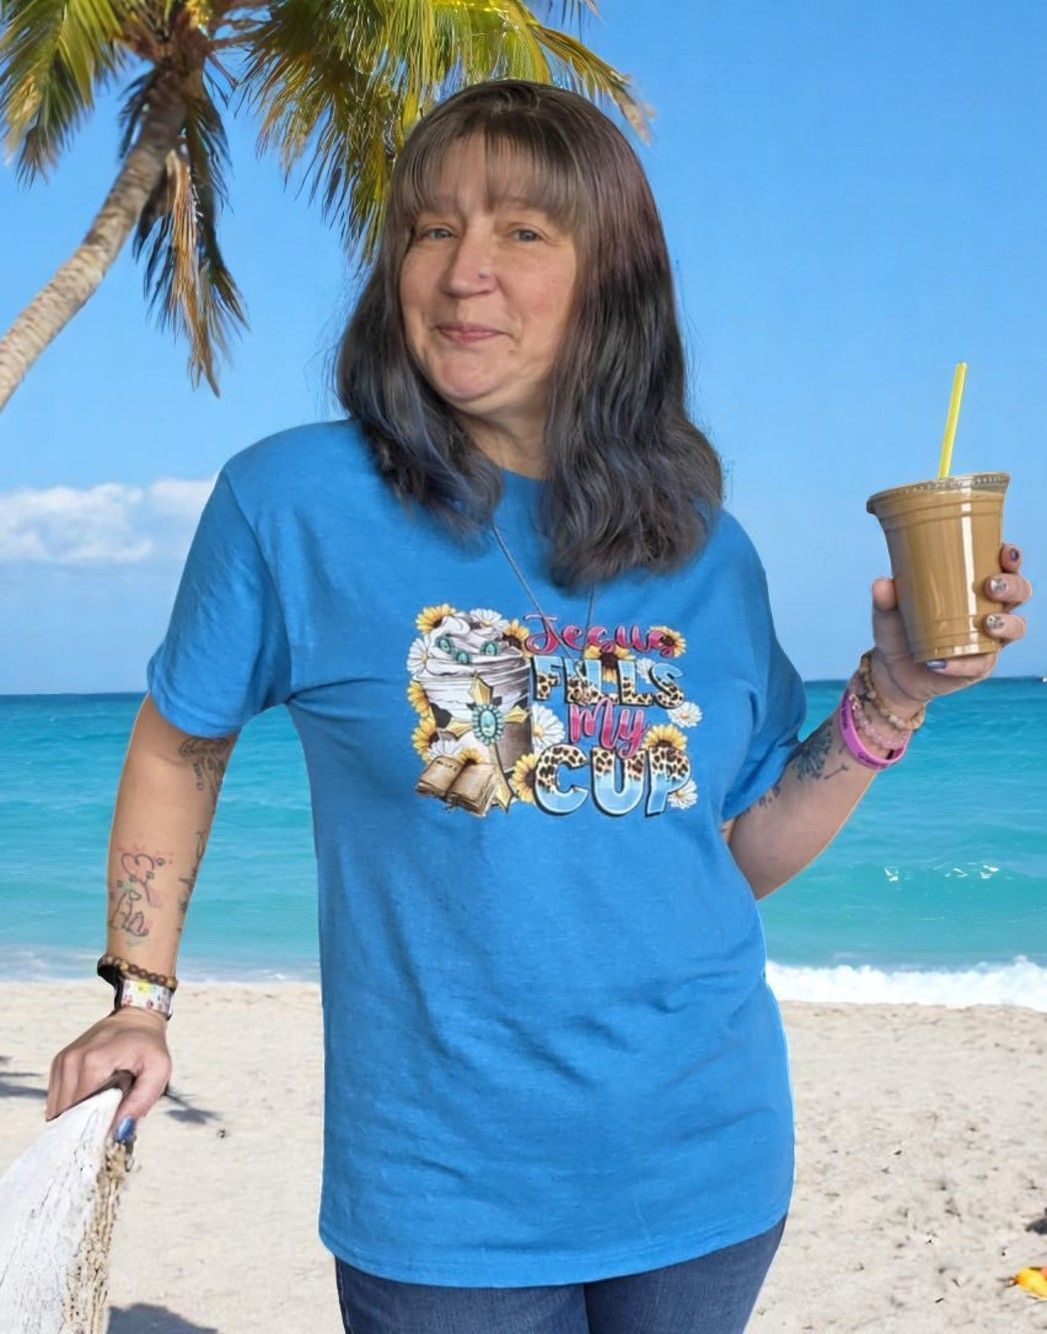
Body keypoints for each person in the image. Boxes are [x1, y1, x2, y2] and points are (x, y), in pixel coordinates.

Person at [44, 80, 1031, 1334]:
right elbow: (180, 743)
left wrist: (894, 692)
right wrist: (140, 995)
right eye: (430, 228)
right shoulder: (291, 503)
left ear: (609, 278)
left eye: (523, 232)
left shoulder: (706, 549)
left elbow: (737, 851)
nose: (464, 273)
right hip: (445, 1198)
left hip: (709, 1160)